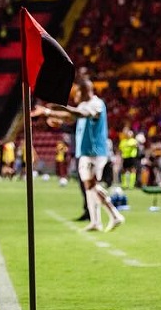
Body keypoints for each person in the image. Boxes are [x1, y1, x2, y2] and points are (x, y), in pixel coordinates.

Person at [36, 79, 125, 232]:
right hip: (84, 151)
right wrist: (49, 113)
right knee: (88, 188)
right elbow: (70, 117)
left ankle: (115, 214)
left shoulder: (97, 104)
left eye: (77, 91)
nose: (75, 94)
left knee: (92, 185)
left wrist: (61, 108)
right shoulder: (83, 105)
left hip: (95, 152)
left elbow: (81, 114)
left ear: (84, 91)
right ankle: (96, 222)